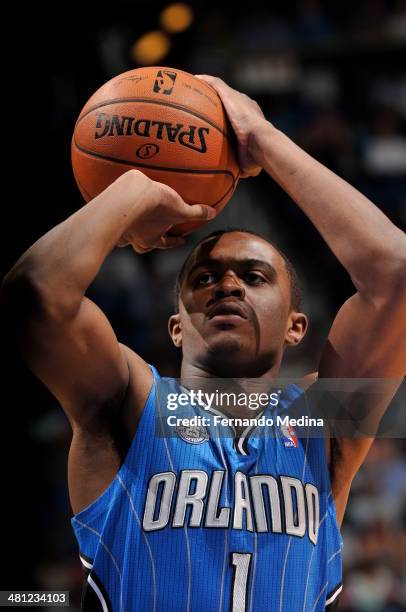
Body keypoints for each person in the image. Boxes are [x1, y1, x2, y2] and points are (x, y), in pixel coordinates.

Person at [1, 75, 405, 612]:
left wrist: (261, 139)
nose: (229, 285)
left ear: (296, 326)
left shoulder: (321, 425)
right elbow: (33, 294)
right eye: (205, 278)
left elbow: (397, 276)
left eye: (255, 277)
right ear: (176, 325)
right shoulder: (128, 405)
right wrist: (135, 188)